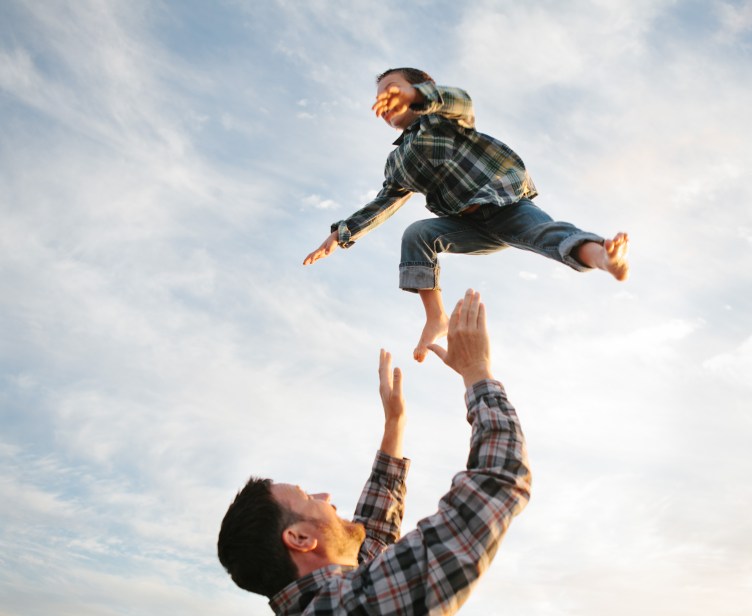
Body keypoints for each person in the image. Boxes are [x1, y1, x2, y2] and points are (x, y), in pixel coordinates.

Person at [217, 289, 531, 615]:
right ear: (299, 539)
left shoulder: (330, 604)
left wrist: (394, 425)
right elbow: (496, 481)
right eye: (308, 498)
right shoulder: (349, 609)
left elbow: (372, 540)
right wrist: (476, 370)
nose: (325, 497)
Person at [303, 67, 630, 362]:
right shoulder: (397, 161)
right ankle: (436, 317)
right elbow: (384, 202)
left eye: (392, 90)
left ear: (421, 89)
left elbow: (460, 101)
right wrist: (341, 234)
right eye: (380, 98)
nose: (385, 101)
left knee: (543, 233)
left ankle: (603, 257)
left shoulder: (442, 118)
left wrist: (416, 96)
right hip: (466, 225)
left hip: (504, 204)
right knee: (417, 234)